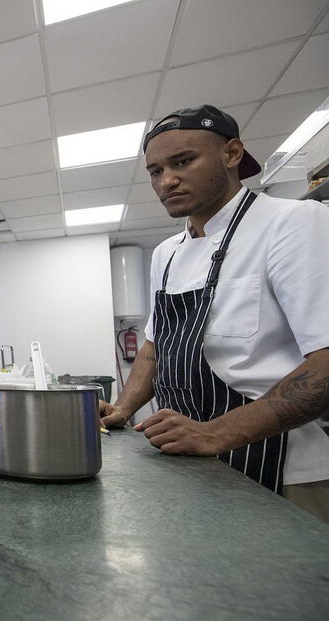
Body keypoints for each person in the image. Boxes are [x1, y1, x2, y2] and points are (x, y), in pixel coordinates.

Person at [99, 104, 329, 521]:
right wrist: (123, 407)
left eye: (183, 161)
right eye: (155, 171)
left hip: (282, 470)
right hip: (185, 462)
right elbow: (154, 347)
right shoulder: (167, 254)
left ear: (232, 153)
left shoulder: (293, 222)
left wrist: (215, 433)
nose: (167, 180)